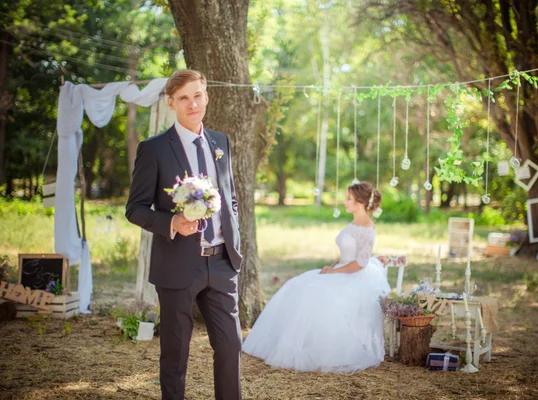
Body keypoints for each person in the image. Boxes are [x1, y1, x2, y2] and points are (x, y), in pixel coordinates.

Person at [125, 69, 243, 400]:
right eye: (183, 98)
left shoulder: (221, 142)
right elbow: (135, 209)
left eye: (197, 96)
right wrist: (172, 223)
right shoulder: (155, 149)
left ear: (206, 97)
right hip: (178, 265)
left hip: (221, 263)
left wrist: (234, 241)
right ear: (171, 103)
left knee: (231, 345)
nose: (192, 104)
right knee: (175, 353)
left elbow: (229, 195)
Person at [242, 182, 390, 373]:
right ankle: (288, 343)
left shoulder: (368, 228)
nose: (344, 202)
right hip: (341, 269)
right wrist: (333, 266)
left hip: (354, 276)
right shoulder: (353, 222)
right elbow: (347, 255)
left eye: (348, 199)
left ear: (360, 203)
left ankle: (315, 350)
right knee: (297, 285)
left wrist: (336, 272)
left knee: (315, 291)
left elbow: (360, 263)